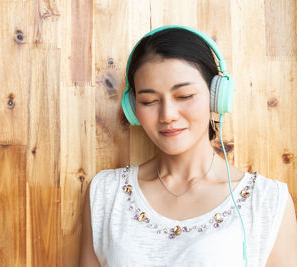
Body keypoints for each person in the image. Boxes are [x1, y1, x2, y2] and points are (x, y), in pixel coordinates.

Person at [79, 26, 297, 267]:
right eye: (149, 101)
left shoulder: (267, 200)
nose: (168, 115)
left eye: (184, 96)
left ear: (216, 96)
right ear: (133, 109)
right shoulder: (107, 193)